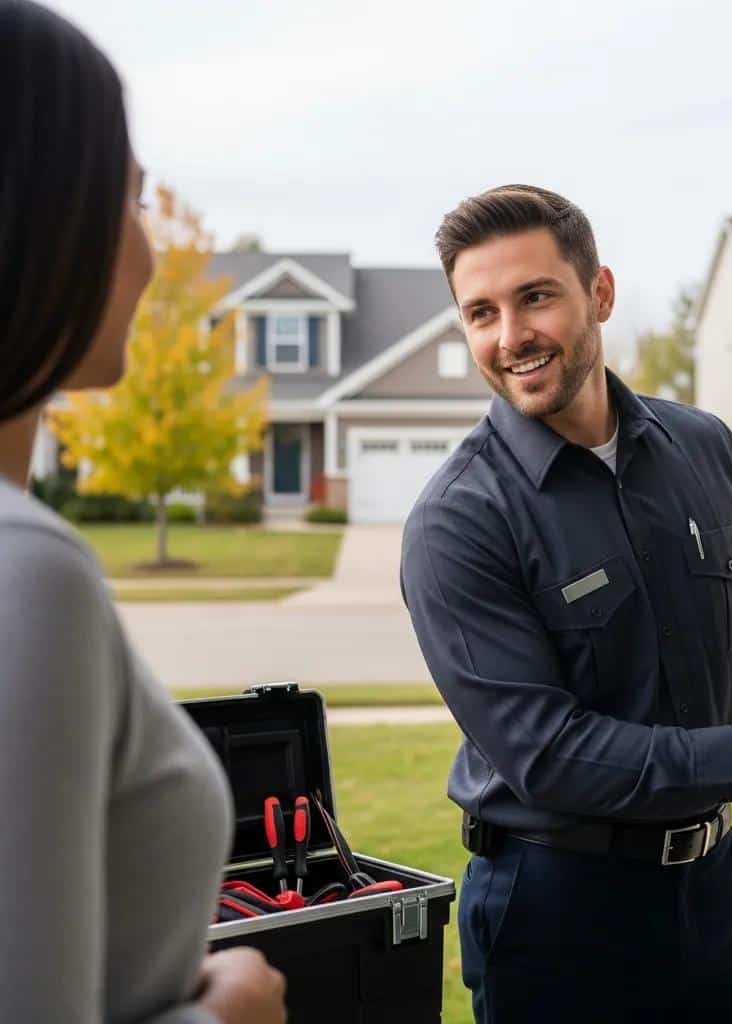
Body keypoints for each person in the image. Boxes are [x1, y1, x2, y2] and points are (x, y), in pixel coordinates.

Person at [400, 184, 732, 1022]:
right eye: (481, 313)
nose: (510, 335)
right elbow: (548, 754)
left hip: (713, 896)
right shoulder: (458, 522)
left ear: (599, 293)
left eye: (536, 297)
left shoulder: (703, 447)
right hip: (557, 919)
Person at [0, 3, 287, 1021]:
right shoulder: (28, 569)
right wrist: (227, 1013)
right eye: (128, 201)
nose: (155, 254)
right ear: (44, 213)